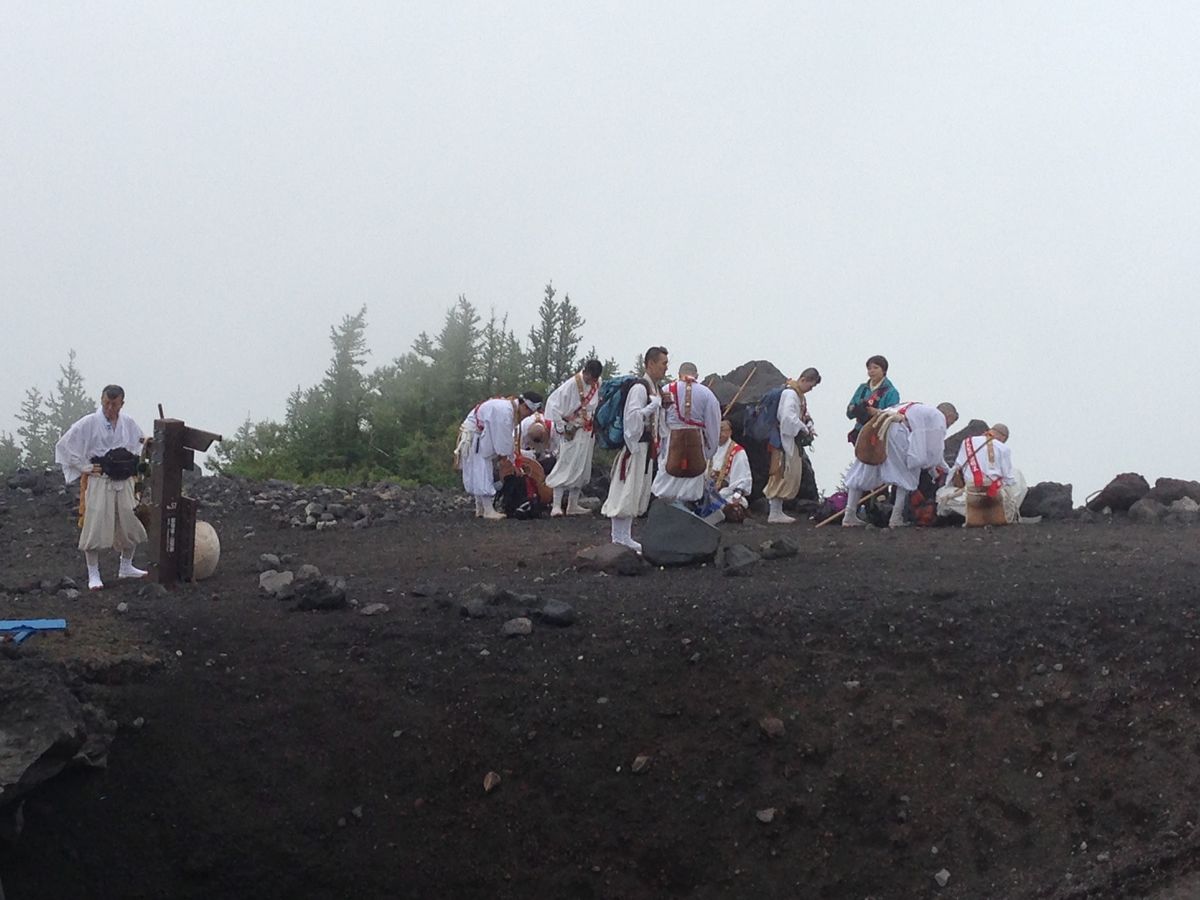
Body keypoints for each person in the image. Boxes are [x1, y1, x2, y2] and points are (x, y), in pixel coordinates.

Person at [53, 385, 149, 590]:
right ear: (102, 400)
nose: (109, 408)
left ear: (121, 404)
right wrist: (83, 466)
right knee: (95, 525)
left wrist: (145, 450)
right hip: (100, 479)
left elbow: (141, 444)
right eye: (106, 403)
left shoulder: (128, 423)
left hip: (123, 480)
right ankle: (93, 573)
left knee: (130, 520)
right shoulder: (89, 423)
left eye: (114, 404)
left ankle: (126, 565)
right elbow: (64, 445)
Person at [842, 401, 959, 528]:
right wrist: (945, 471)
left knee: (865, 468)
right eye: (951, 422)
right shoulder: (937, 416)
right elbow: (934, 450)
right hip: (897, 430)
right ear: (949, 415)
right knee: (906, 472)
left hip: (878, 425)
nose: (948, 426)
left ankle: (849, 514)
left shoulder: (915, 407)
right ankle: (896, 517)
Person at [602, 346, 669, 551]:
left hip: (646, 447)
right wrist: (652, 407)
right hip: (635, 447)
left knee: (635, 489)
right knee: (625, 488)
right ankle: (617, 537)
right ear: (650, 364)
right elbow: (632, 417)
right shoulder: (640, 389)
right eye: (663, 363)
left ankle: (625, 535)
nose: (666, 368)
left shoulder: (655, 390)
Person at [455, 390, 544, 520]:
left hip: (479, 434)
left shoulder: (509, 409)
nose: (526, 417)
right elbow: (503, 443)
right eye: (528, 413)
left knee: (480, 469)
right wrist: (510, 462)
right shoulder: (504, 412)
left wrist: (513, 460)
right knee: (482, 470)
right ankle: (487, 510)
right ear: (524, 406)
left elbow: (507, 441)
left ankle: (481, 508)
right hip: (475, 436)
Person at [652, 362, 721, 504]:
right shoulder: (707, 393)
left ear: (679, 374)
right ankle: (687, 508)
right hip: (696, 445)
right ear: (697, 375)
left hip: (671, 443)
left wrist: (659, 447)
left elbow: (658, 421)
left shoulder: (666, 390)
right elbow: (713, 425)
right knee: (692, 481)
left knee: (667, 479)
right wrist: (708, 452)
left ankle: (665, 509)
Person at [544, 359, 603, 516]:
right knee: (565, 464)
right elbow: (553, 404)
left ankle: (572, 504)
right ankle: (556, 505)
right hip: (573, 429)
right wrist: (560, 426)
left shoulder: (598, 383)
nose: (594, 381)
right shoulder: (571, 385)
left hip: (587, 429)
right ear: (587, 373)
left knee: (581, 467)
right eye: (592, 378)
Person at [936, 423, 1027, 523]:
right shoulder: (1004, 449)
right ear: (1003, 438)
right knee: (1017, 475)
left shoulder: (967, 442)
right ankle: (1002, 514)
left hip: (969, 497)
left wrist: (951, 486)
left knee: (942, 493)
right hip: (995, 499)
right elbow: (1009, 479)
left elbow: (956, 468)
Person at [763, 367, 821, 524]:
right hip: (783, 439)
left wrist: (808, 425)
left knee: (788, 473)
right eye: (811, 385)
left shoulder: (798, 395)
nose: (811, 389)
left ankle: (777, 510)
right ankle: (774, 512)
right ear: (803, 380)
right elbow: (787, 417)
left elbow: (801, 415)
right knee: (781, 472)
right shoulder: (790, 394)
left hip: (789, 439)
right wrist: (803, 428)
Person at [699, 418, 753, 525]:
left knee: (734, 503)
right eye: (716, 430)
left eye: (722, 430)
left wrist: (737, 494)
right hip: (708, 490)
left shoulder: (738, 452)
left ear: (730, 432)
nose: (719, 433)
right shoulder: (709, 448)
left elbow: (743, 478)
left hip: (727, 492)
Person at [846, 355, 900, 445]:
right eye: (869, 368)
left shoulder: (891, 392)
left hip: (880, 435)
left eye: (875, 367)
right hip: (861, 432)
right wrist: (856, 409)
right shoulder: (862, 388)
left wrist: (876, 412)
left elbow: (893, 416)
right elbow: (849, 412)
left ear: (884, 370)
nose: (872, 371)